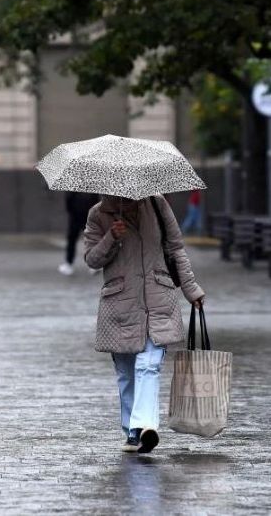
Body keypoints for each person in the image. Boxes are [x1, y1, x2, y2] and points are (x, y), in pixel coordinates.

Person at [83, 194, 205, 454]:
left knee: (148, 365)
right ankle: (131, 431)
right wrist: (111, 238)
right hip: (120, 304)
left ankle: (145, 426)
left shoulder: (157, 205)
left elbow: (175, 248)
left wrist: (191, 290)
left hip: (157, 300)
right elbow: (92, 260)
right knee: (127, 372)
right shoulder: (98, 214)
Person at [59, 191, 100, 276]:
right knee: (88, 240)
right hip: (83, 216)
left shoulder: (75, 186)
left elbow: (68, 201)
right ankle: (92, 265)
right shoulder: (91, 186)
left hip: (79, 216)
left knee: (76, 240)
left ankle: (69, 264)